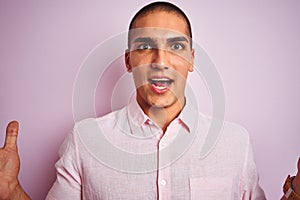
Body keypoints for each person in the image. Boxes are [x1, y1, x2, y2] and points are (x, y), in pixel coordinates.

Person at [0, 2, 299, 200]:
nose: (160, 61)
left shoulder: (236, 143)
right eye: (145, 46)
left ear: (191, 60)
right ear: (129, 61)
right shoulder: (84, 140)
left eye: (176, 46)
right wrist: (12, 192)